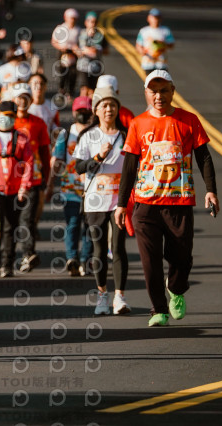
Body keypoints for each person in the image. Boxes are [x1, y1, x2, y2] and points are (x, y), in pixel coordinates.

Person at [115, 70, 220, 327]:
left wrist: (211, 190)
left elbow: (203, 157)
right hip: (146, 205)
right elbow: (129, 166)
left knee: (182, 258)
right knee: (150, 261)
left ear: (173, 91)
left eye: (163, 90)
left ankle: (176, 288)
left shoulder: (189, 120)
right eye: (153, 91)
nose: (158, 96)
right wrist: (121, 204)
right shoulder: (138, 124)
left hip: (179, 203)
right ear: (146, 93)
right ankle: (158, 309)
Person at [73, 87, 130, 316]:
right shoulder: (88, 136)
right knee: (98, 250)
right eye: (104, 105)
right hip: (95, 202)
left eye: (112, 105)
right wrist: (98, 156)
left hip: (119, 201)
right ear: (96, 110)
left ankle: (120, 297)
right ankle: (102, 295)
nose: (109, 109)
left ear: (118, 109)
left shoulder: (125, 135)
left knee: (118, 248)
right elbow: (78, 167)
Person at [0, 83, 50, 273]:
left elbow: (44, 153)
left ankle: (27, 254)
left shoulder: (38, 123)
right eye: (19, 98)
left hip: (32, 180)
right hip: (3, 184)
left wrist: (47, 179)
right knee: (4, 224)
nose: (22, 101)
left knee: (26, 220)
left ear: (30, 100)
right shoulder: (3, 120)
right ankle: (0, 262)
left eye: (26, 97)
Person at [0, 101, 33, 277]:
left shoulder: (22, 138)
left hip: (14, 190)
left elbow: (29, 163)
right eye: (4, 115)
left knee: (11, 228)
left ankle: (7, 265)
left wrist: (24, 187)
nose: (7, 119)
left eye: (11, 116)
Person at [45, 95, 93, 277]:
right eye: (80, 111)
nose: (83, 114)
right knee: (72, 224)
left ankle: (85, 260)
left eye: (86, 111)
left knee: (89, 227)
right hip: (70, 188)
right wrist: (50, 183)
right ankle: (72, 258)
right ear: (73, 112)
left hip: (92, 190)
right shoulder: (65, 135)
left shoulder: (96, 133)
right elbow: (56, 160)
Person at [51, 8, 82, 102]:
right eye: (71, 18)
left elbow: (81, 43)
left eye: (74, 18)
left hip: (73, 54)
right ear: (66, 18)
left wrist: (77, 49)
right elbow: (54, 41)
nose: (72, 20)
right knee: (62, 73)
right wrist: (60, 47)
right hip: (63, 53)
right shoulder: (60, 28)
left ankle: (70, 93)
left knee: (73, 74)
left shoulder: (78, 30)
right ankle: (61, 90)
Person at [135, 8, 175, 74]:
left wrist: (161, 44)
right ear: (148, 18)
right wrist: (143, 52)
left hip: (161, 63)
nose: (155, 20)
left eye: (157, 18)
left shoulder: (165, 30)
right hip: (148, 63)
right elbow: (138, 46)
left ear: (160, 19)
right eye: (153, 18)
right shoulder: (144, 31)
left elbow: (171, 45)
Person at [78, 11, 107, 93]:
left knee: (92, 91)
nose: (93, 24)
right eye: (90, 21)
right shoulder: (81, 33)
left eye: (95, 22)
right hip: (83, 66)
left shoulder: (100, 35)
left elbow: (106, 50)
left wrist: (95, 50)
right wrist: (91, 50)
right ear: (86, 22)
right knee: (84, 89)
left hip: (96, 67)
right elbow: (79, 48)